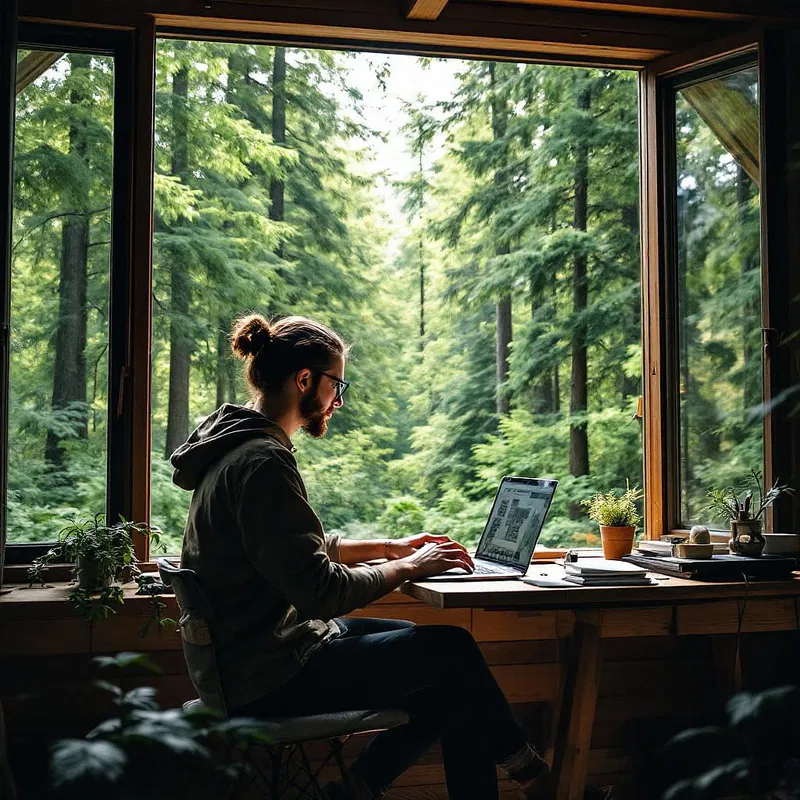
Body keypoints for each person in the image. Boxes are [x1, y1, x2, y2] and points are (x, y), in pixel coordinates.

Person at [172, 313, 550, 799]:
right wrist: (410, 568)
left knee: (434, 659)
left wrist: (389, 548)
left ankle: (359, 786)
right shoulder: (262, 462)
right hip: (268, 677)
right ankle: (535, 778)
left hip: (253, 657)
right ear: (304, 379)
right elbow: (320, 590)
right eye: (337, 383)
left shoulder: (237, 449)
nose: (339, 398)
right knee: (451, 652)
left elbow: (288, 552)